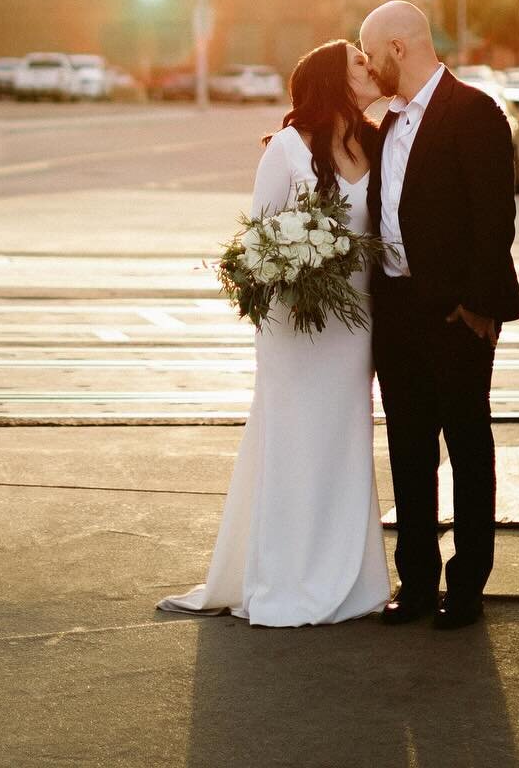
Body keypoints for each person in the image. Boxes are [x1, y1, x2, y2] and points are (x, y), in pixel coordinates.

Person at [159, 39, 389, 626]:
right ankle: (285, 575)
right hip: (296, 328)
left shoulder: (373, 142)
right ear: (333, 80)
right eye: (359, 63)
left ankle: (349, 578)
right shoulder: (286, 149)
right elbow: (254, 246)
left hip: (354, 323)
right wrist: (300, 261)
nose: (371, 68)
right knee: (294, 439)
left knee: (343, 440)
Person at [358, 1, 519, 631]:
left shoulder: (474, 111)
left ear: (398, 47)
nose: (369, 66)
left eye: (370, 52)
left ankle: (468, 587)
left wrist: (474, 307)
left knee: (467, 445)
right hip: (396, 312)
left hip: (455, 316)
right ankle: (419, 583)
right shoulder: (387, 124)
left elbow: (495, 221)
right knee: (407, 450)